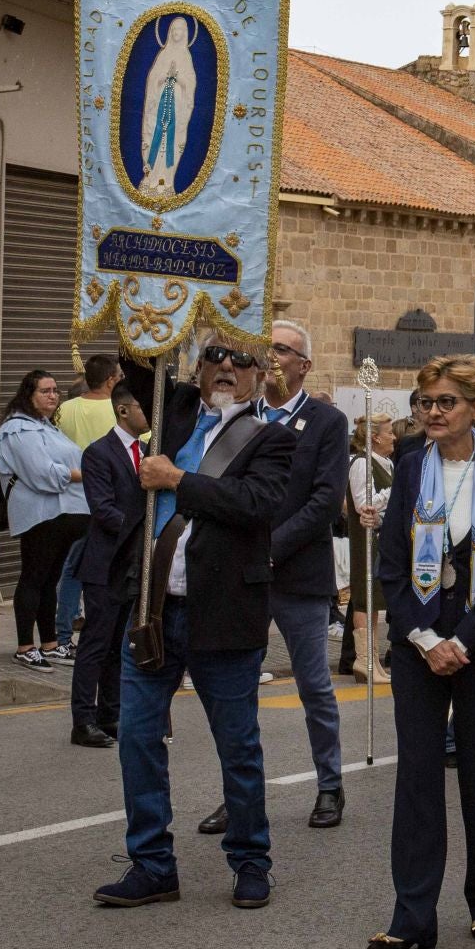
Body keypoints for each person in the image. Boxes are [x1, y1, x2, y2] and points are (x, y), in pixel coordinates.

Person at [92, 338, 295, 912]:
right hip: (153, 609)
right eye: (215, 356)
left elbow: (254, 503)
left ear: (260, 373)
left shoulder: (273, 437)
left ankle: (251, 861)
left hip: (225, 615)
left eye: (241, 360)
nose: (227, 368)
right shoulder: (173, 408)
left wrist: (178, 481)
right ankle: (152, 864)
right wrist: (160, 299)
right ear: (200, 369)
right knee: (136, 738)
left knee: (237, 748)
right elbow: (139, 355)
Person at [369, 355, 475, 949]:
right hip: (419, 645)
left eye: (445, 402)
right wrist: (423, 637)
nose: (433, 413)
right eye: (425, 402)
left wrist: (463, 640)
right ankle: (412, 916)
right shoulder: (411, 469)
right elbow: (392, 561)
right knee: (416, 780)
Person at [198, 320, 348, 835]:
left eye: (283, 350)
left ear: (303, 365)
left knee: (314, 685)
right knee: (238, 691)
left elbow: (324, 501)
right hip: (241, 575)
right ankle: (239, 795)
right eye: (267, 350)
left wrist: (271, 550)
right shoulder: (238, 417)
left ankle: (329, 784)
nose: (273, 357)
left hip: (297, 574)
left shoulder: (327, 421)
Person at [0, 369, 90, 671]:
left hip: (63, 514)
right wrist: (82, 475)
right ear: (28, 394)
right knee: (34, 577)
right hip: (39, 515)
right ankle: (25, 646)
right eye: (45, 391)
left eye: (55, 391)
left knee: (50, 580)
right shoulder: (17, 429)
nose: (53, 396)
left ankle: (50, 643)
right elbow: (43, 474)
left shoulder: (46, 427)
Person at [71, 384, 149, 748]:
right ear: (123, 410)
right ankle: (82, 719)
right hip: (104, 562)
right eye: (141, 406)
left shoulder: (148, 452)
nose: (147, 413)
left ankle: (110, 712)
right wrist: (143, 530)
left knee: (120, 643)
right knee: (95, 642)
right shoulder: (99, 453)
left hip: (132, 564)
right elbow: (102, 509)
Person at [54, 354, 122, 651]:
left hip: (69, 502)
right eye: (119, 376)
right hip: (112, 504)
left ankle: (64, 630)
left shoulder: (64, 409)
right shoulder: (121, 409)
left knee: (71, 569)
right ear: (110, 380)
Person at [347, 414, 395, 683]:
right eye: (389, 433)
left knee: (375, 599)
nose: (394, 437)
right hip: (365, 537)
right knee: (364, 597)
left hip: (382, 537)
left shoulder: (386, 462)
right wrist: (394, 490)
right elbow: (363, 503)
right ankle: (364, 660)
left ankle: (373, 661)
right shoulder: (361, 463)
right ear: (375, 437)